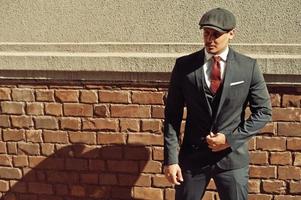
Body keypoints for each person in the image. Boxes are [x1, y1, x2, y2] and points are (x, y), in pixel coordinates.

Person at [163, 7, 272, 200]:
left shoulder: (248, 67)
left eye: (216, 34)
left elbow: (263, 112)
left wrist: (230, 139)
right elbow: (172, 116)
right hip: (193, 159)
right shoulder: (184, 66)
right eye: (206, 33)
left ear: (231, 34)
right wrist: (171, 160)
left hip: (232, 159)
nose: (209, 39)